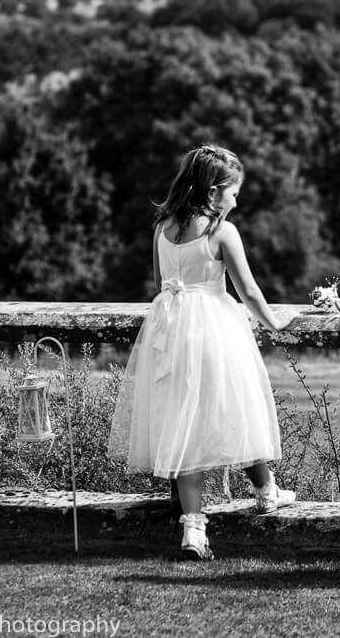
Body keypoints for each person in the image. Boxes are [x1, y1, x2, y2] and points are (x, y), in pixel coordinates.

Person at [108, 145, 295, 561]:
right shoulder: (219, 232)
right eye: (233, 192)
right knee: (234, 408)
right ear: (213, 192)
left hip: (170, 330)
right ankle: (266, 491)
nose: (236, 200)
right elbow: (247, 290)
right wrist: (275, 322)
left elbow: (161, 283)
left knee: (184, 426)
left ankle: (193, 530)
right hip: (213, 329)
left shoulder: (162, 228)